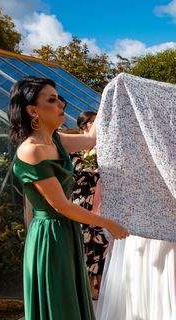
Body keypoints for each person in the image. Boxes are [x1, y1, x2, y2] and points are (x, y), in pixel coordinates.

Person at [8, 76, 128, 320]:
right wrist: (108, 223)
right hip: (50, 239)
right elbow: (61, 207)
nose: (61, 105)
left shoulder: (56, 139)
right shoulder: (30, 150)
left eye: (59, 98)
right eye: (52, 100)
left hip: (66, 237)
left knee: (74, 318)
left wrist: (114, 94)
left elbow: (93, 139)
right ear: (33, 111)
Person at [70, 111, 108, 300]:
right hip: (82, 201)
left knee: (102, 241)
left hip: (101, 201)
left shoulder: (105, 147)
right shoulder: (75, 150)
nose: (95, 126)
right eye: (91, 122)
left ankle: (103, 284)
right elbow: (77, 171)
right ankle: (87, 287)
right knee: (85, 242)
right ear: (83, 126)